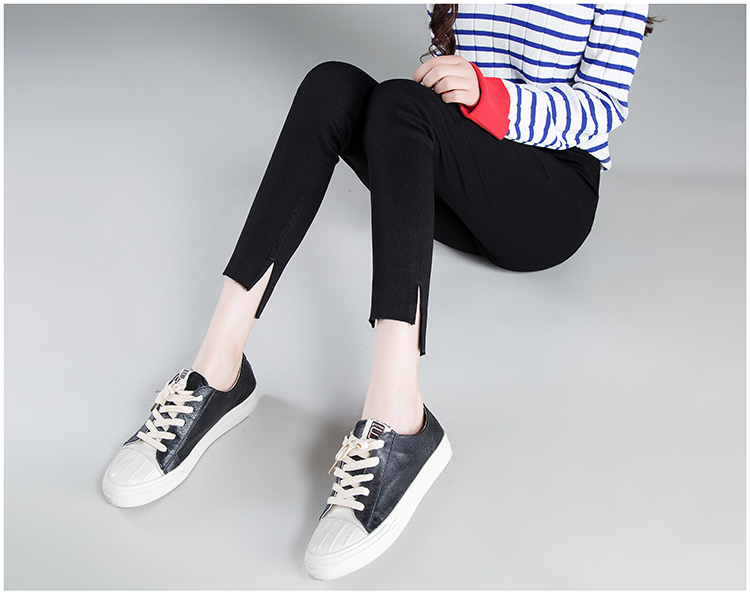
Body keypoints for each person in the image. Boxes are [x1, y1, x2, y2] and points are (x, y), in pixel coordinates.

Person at [102, 3, 651, 581]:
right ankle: (218, 368)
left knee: (398, 104)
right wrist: (444, 92)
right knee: (333, 85)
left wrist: (488, 98)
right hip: (470, 174)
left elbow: (602, 108)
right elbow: (451, 65)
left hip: (547, 202)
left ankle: (399, 415)